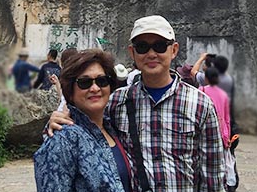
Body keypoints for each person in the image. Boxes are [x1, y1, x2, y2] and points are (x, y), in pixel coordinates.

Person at [50, 15, 225, 192]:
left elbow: (213, 178)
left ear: (173, 50)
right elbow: (85, 124)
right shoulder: (116, 102)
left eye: (159, 46)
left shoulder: (201, 104)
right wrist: (56, 121)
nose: (151, 54)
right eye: (142, 47)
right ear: (132, 52)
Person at [34, 49, 129, 192]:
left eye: (102, 81)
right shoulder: (63, 140)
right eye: (85, 82)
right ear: (70, 92)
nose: (95, 88)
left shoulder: (114, 127)